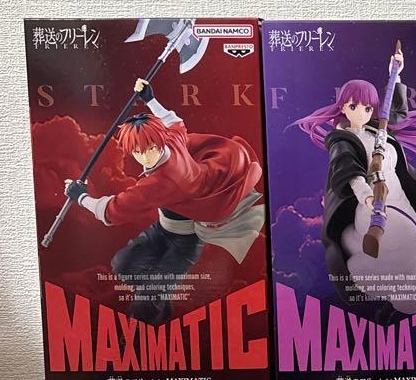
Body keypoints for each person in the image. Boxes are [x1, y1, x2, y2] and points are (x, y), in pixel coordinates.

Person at [295, 47, 416, 320]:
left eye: (367, 108)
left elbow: (394, 113)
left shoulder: (376, 129)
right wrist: (367, 197)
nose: (361, 113)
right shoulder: (342, 141)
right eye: (353, 106)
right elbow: (348, 171)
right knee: (411, 242)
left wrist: (395, 75)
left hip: (399, 198)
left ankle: (400, 309)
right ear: (343, 107)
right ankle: (379, 287)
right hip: (369, 205)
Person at [65, 79, 266, 322]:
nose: (145, 157)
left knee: (147, 299)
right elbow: (174, 121)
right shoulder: (173, 140)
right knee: (122, 266)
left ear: (159, 142)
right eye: (137, 151)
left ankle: (142, 328)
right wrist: (150, 99)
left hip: (185, 241)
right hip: (162, 230)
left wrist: (80, 197)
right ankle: (160, 297)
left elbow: (112, 211)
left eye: (149, 148)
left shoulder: (163, 180)